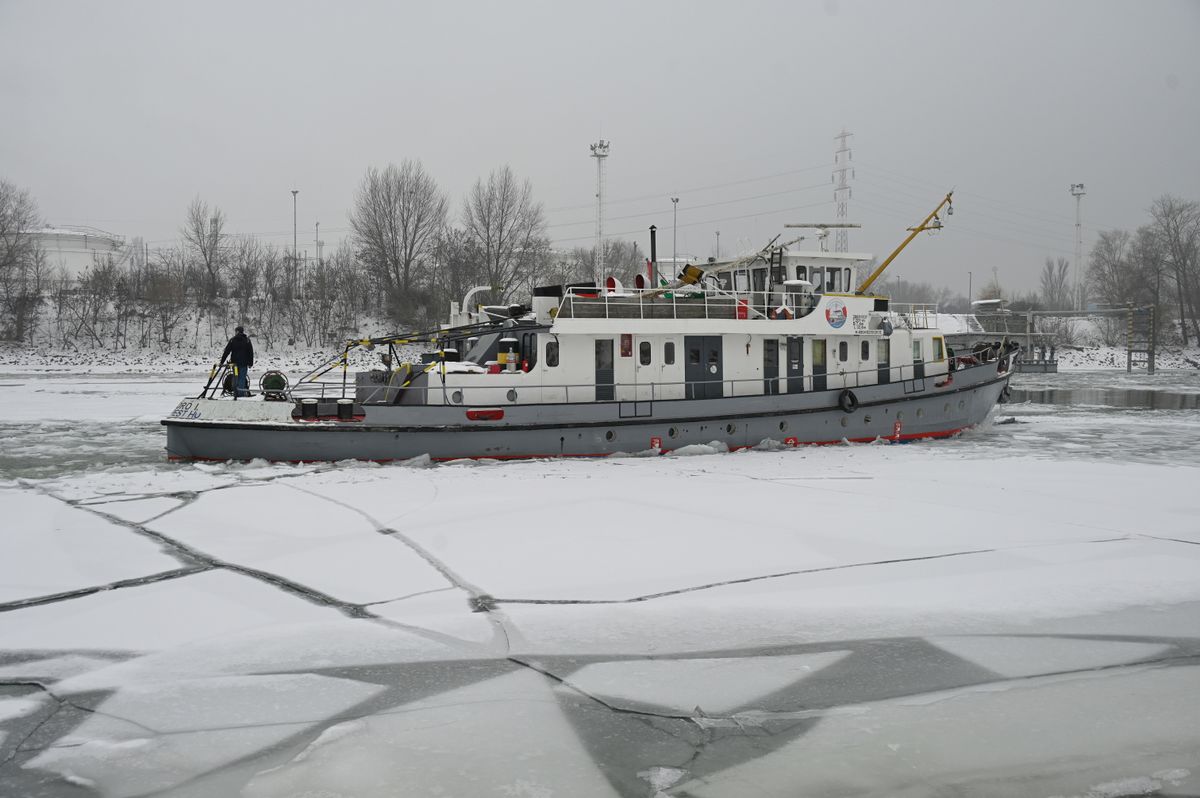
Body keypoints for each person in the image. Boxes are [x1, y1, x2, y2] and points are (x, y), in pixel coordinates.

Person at [220, 325, 254, 397]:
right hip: (244, 363)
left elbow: (226, 352)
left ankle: (235, 392)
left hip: (234, 364)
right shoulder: (247, 340)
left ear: (237, 331)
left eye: (235, 331)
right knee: (242, 378)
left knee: (235, 377)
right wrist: (250, 363)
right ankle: (240, 394)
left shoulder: (232, 340)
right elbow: (250, 352)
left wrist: (222, 362)